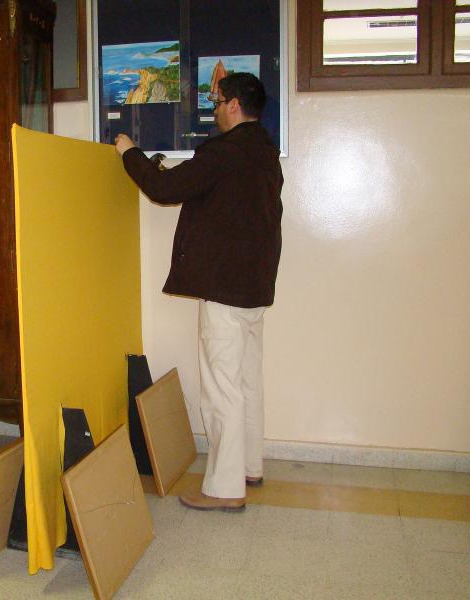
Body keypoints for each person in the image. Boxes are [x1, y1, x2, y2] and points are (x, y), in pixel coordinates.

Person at [115, 72, 284, 512]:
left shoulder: (225, 153)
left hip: (224, 290)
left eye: (217, 100)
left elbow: (164, 189)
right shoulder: (264, 151)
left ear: (233, 106)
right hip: (254, 287)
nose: (212, 106)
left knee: (221, 389)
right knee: (247, 382)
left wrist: (128, 152)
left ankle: (225, 489)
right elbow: (209, 189)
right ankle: (249, 466)